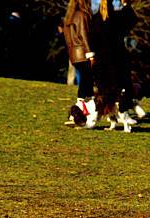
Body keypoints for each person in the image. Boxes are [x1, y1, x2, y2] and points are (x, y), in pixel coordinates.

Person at [63, 0, 97, 128]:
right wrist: (90, 54)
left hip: (74, 55)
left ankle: (77, 114)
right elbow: (84, 35)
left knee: (85, 83)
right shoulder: (82, 15)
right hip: (83, 53)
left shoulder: (69, 17)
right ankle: (76, 112)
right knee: (86, 84)